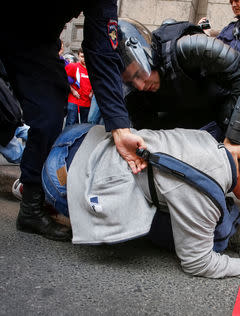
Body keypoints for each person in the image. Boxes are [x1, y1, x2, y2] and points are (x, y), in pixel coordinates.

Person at [119, 18, 240, 220]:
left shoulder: (188, 47)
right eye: (131, 80)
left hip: (226, 105)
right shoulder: (135, 93)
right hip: (188, 118)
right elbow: (146, 132)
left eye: (139, 74)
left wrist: (234, 140)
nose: (141, 85)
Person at [42, 124, 240, 280]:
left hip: (82, 133)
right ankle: (38, 192)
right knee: (217, 238)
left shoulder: (209, 140)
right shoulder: (205, 194)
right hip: (63, 176)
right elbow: (197, 262)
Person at [0, 0, 147, 242]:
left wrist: (120, 127)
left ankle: (31, 207)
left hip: (34, 41)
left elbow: (101, 50)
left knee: (49, 110)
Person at [65, 48, 93, 126]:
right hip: (74, 101)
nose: (84, 59)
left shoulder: (93, 69)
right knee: (71, 124)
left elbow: (97, 82)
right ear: (78, 56)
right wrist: (73, 91)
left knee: (84, 127)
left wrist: (92, 92)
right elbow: (63, 79)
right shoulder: (73, 66)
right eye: (82, 56)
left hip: (87, 102)